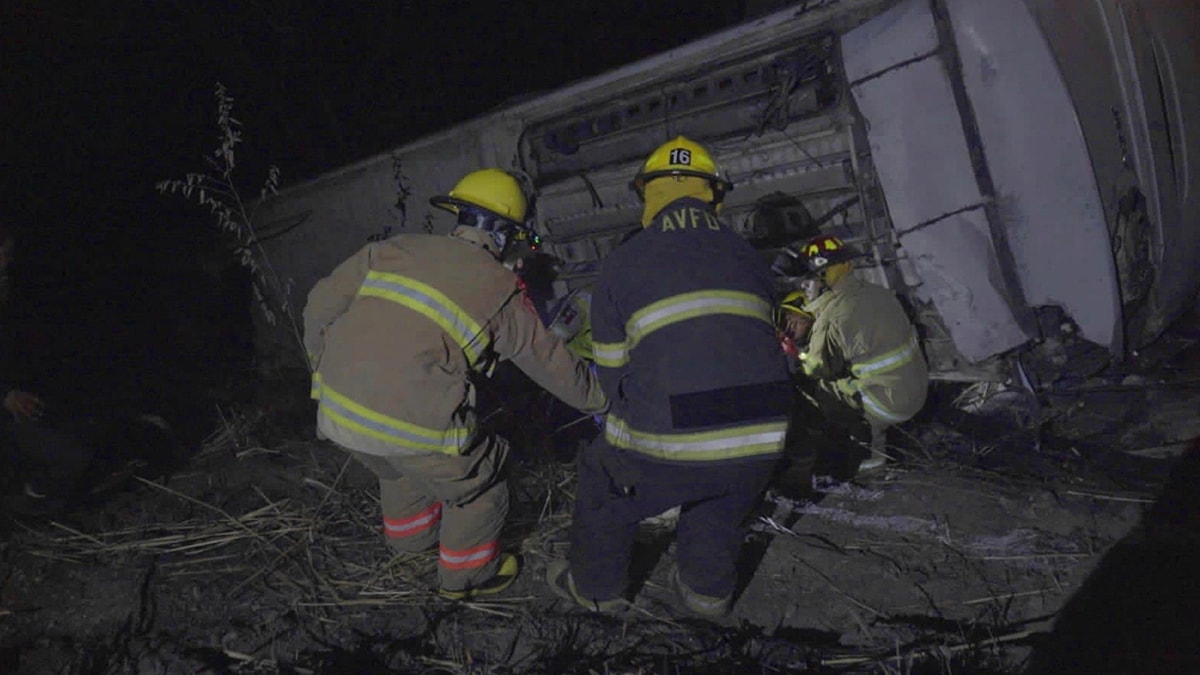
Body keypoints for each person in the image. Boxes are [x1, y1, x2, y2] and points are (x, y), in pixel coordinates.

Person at [303, 168, 607, 600]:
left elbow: (318, 306)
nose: (521, 255)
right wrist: (602, 398)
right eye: (518, 241)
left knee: (395, 467)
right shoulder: (499, 288)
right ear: (501, 235)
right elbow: (551, 363)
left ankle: (409, 544)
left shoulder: (392, 250)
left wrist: (323, 367)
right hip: (413, 422)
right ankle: (465, 578)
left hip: (336, 412)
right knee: (481, 482)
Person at [546, 136, 792, 617]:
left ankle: (597, 588)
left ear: (648, 196)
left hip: (677, 437)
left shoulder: (622, 262)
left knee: (604, 473)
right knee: (723, 493)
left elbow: (614, 376)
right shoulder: (749, 257)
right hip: (764, 433)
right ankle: (707, 592)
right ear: (714, 196)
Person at [788, 234, 928, 473]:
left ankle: (863, 453)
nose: (804, 286)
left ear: (825, 275)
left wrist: (797, 354)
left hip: (888, 405)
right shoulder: (878, 293)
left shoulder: (834, 315)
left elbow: (817, 369)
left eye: (808, 279)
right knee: (858, 378)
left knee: (812, 389)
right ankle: (879, 436)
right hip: (918, 392)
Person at [0, 224, 95, 517]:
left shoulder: (14, 298)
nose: (6, 262)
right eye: (1, 254)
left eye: (8, 254)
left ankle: (34, 499)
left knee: (76, 452)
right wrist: (6, 396)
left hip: (16, 414)